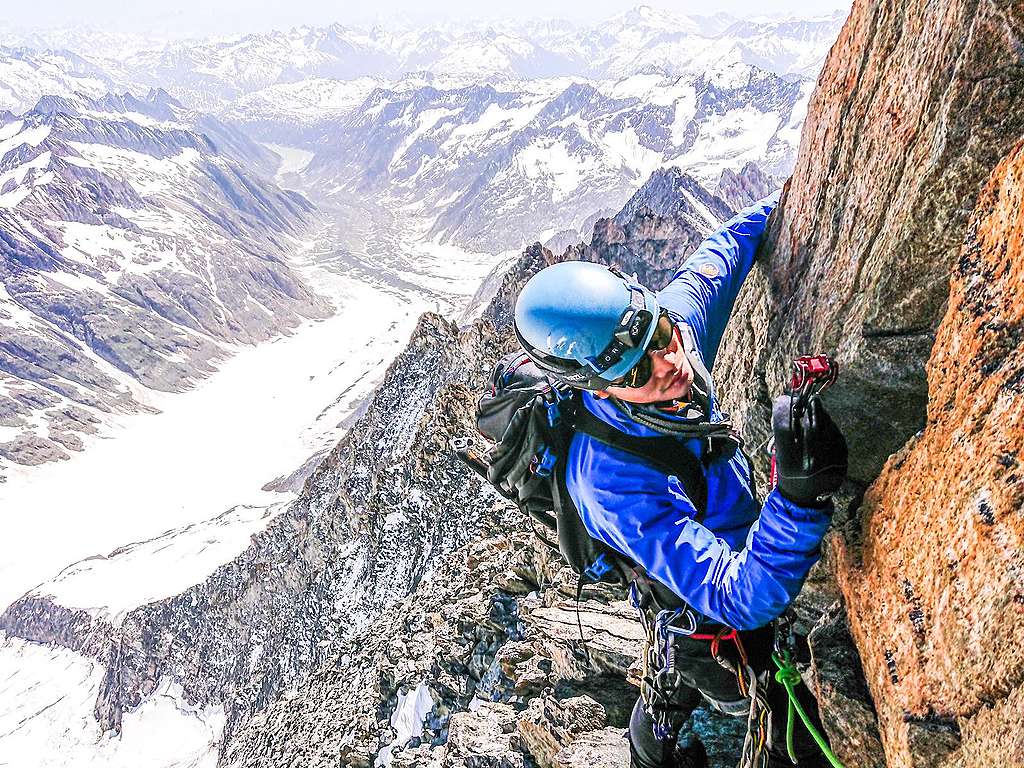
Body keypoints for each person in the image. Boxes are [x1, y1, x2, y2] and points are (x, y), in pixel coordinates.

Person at [512, 192, 848, 768]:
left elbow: (724, 251)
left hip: (725, 553)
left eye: (661, 334)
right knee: (762, 704)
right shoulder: (611, 482)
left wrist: (805, 183)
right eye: (639, 371)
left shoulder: (669, 334)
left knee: (678, 682)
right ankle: (660, 743)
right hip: (708, 618)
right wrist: (797, 499)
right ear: (598, 389)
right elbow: (737, 597)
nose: (670, 363)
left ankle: (656, 728)